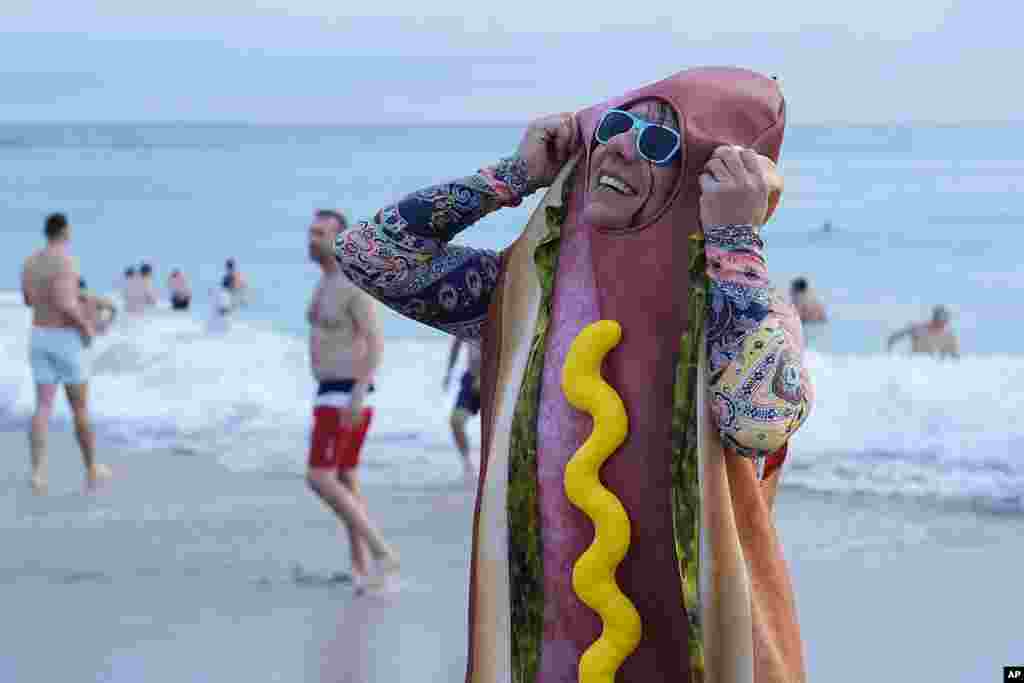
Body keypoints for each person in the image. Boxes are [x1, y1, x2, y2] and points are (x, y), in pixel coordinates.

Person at [334, 67, 813, 682]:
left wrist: (733, 238)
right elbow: (371, 254)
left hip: (697, 655)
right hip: (544, 654)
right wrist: (511, 177)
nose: (617, 147)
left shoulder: (754, 311)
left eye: (659, 143)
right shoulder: (527, 299)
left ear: (707, 178)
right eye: (614, 126)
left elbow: (759, 424)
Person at [305, 209, 399, 592]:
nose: (312, 239)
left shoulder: (351, 284)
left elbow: (376, 341)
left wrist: (360, 392)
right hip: (329, 391)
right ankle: (361, 569)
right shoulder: (324, 283)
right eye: (310, 232)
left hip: (347, 393)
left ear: (340, 239)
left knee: (319, 477)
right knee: (345, 479)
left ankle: (383, 554)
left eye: (321, 233)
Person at [20, 213, 111, 494]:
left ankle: (37, 474)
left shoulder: (30, 261)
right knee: (79, 407)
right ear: (64, 231)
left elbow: (28, 299)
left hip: (38, 335)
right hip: (64, 340)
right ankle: (92, 466)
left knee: (43, 407)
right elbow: (65, 303)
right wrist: (85, 327)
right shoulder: (66, 260)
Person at [443, 337, 481, 481]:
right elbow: (456, 344)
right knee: (456, 421)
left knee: (500, 427)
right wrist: (448, 373)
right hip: (471, 378)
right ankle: (467, 464)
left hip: (494, 376)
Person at [886, 304, 960, 359]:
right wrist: (890, 350)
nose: (942, 322)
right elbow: (895, 337)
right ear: (934, 318)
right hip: (916, 367)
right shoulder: (919, 329)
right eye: (939, 318)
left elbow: (954, 356)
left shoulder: (948, 337)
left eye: (945, 319)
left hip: (933, 369)